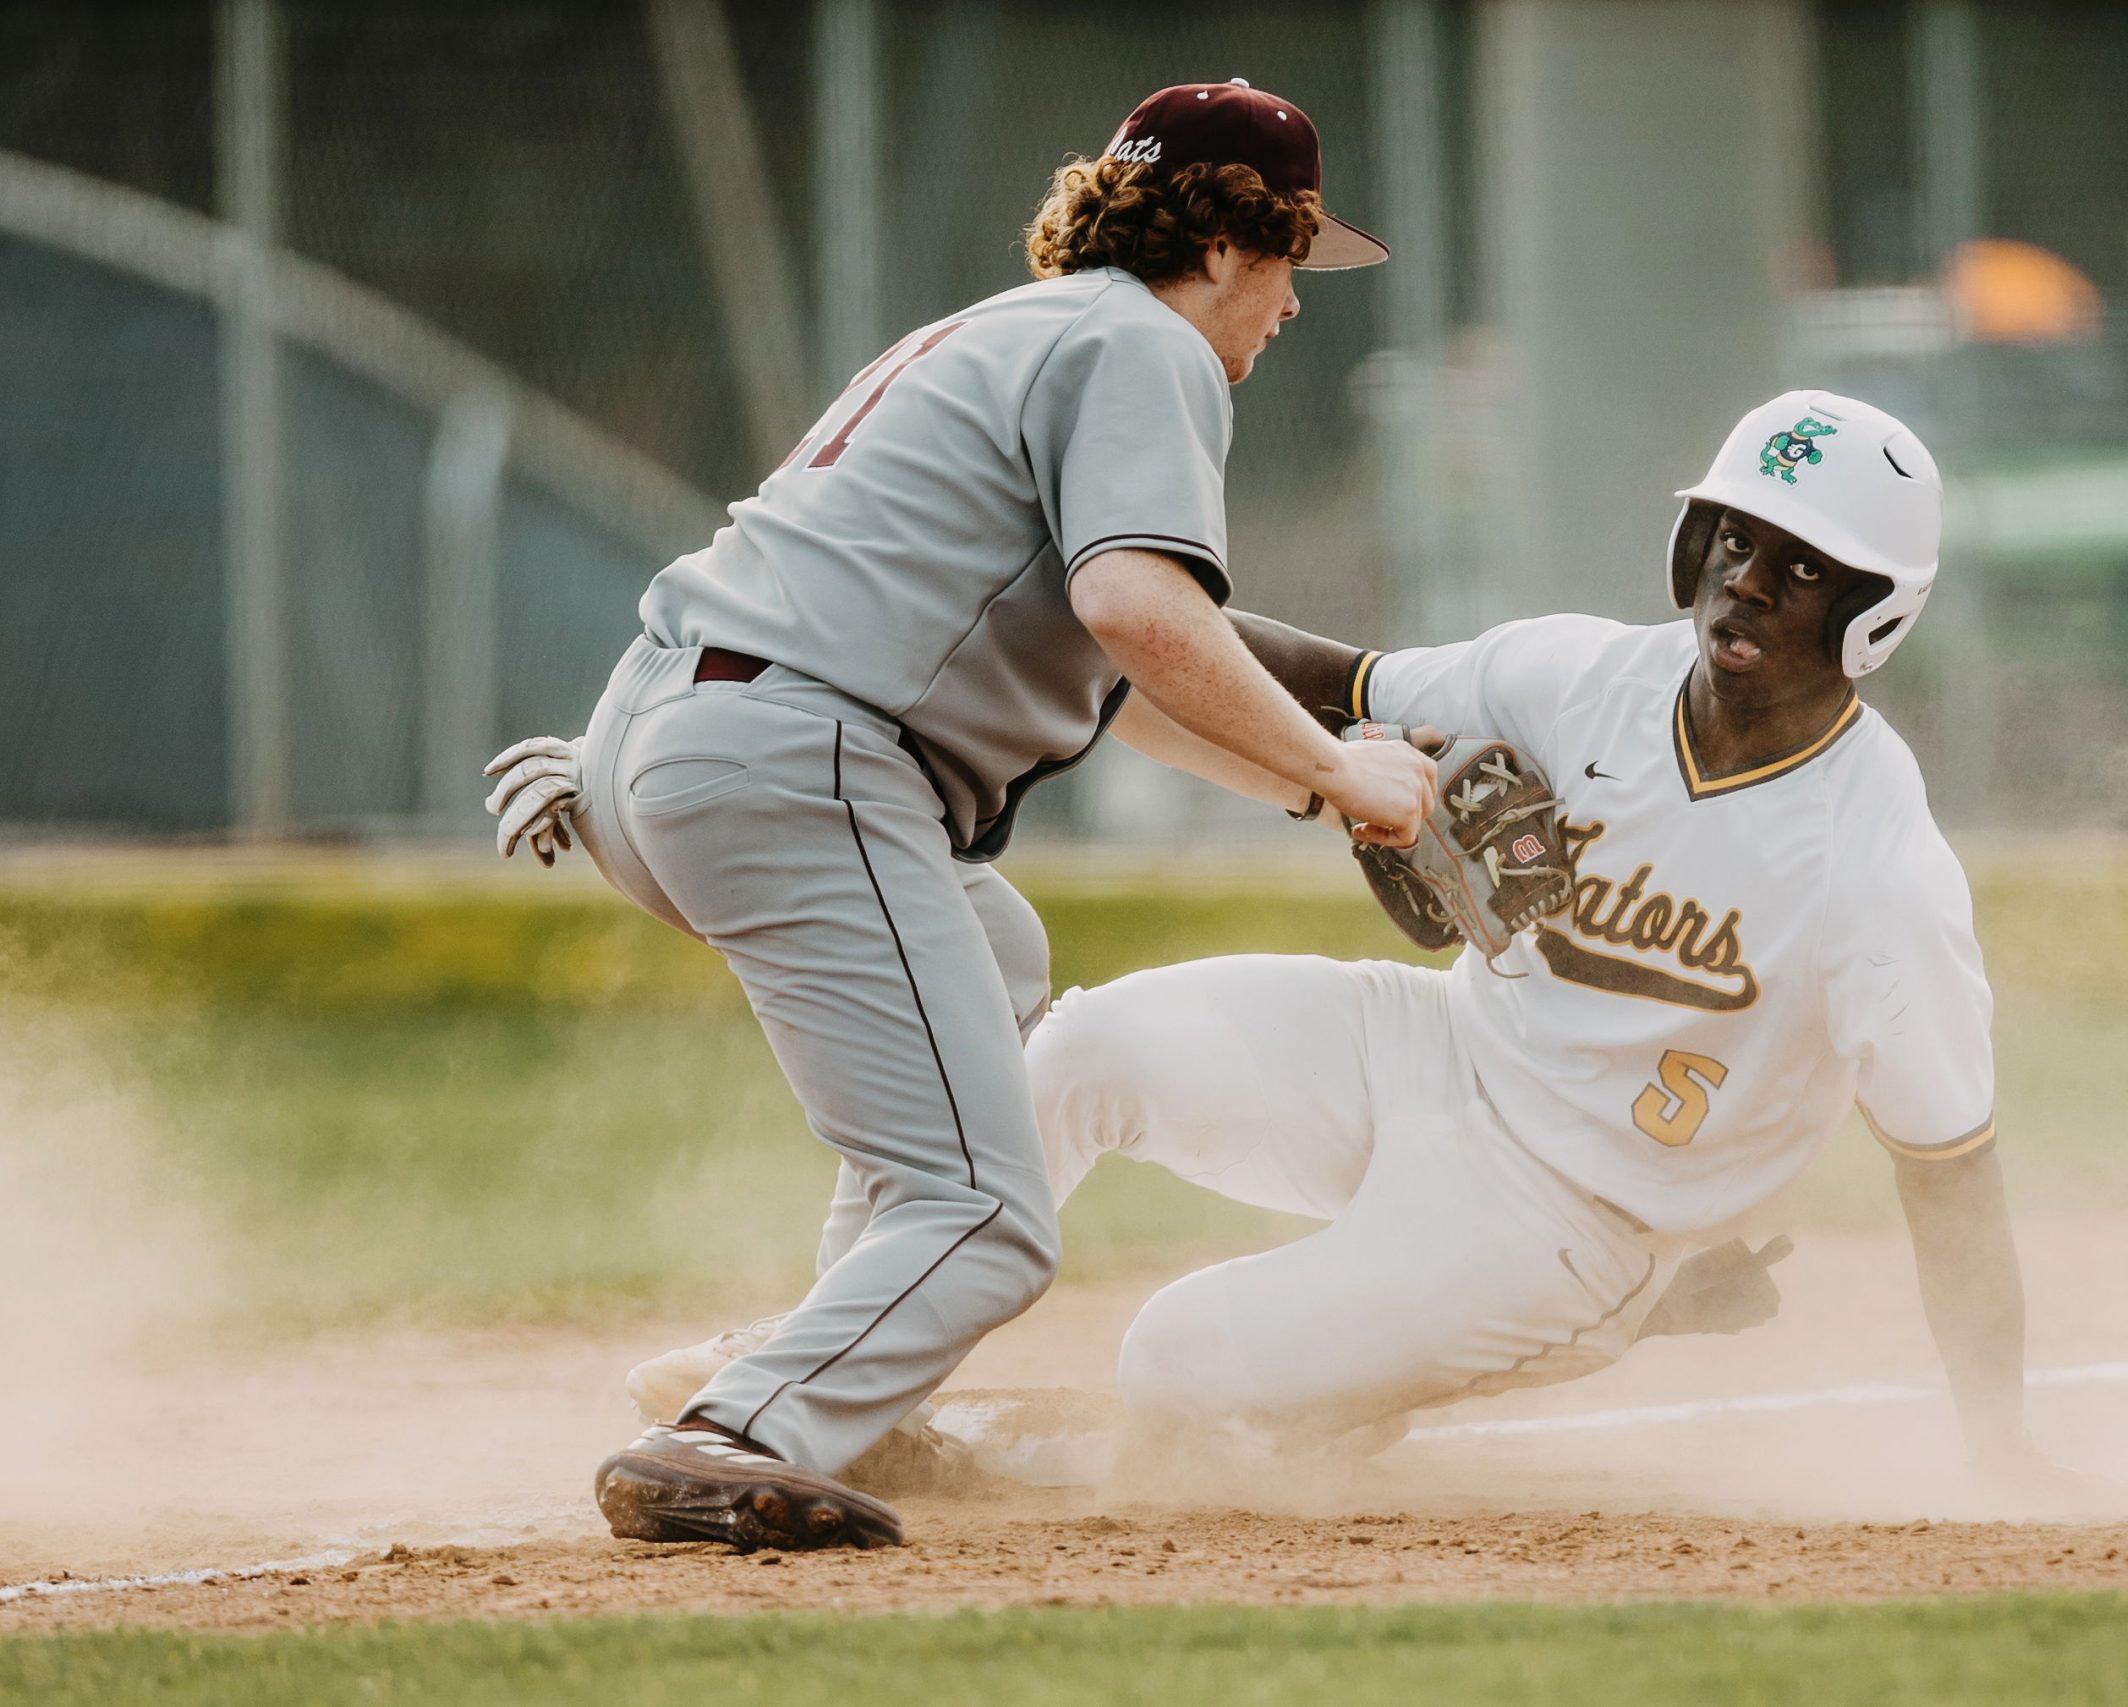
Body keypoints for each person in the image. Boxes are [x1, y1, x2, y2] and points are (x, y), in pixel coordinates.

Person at [608, 390, 2092, 1498]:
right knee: (1078, 1052)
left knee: (1179, 1372)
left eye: (1809, 566)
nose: (1752, 582)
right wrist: (1086, 594)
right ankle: (823, 1390)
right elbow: (1341, 677)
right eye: (1738, 539)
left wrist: (2004, 1443)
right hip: (1435, 1049)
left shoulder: (1876, 868)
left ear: (1878, 615)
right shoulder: (1583, 675)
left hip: (1576, 1223)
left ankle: (1023, 1480)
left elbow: (1953, 1176)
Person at [487, 78, 1436, 1552]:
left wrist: (1322, 794)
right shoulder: (1147, 345)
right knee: (993, 1212)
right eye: (1298, 254)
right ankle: (744, 1425)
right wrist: (1344, 767)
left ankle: (852, 1396)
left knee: (989, 956)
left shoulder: (1008, 330)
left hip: (663, 738)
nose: (1297, 302)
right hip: (800, 758)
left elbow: (1135, 684)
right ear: (1237, 238)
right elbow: (1141, 608)